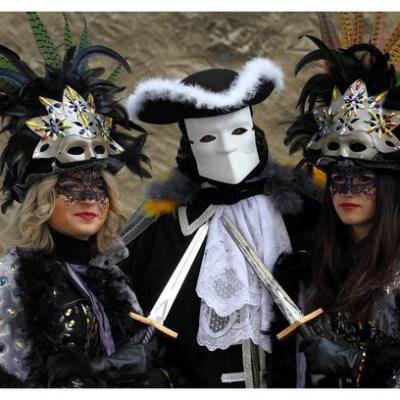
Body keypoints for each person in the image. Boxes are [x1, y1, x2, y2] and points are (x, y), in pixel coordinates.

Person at [120, 58, 316, 387]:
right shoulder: (162, 226)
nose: (225, 149)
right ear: (189, 147)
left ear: (254, 133)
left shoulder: (302, 210)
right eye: (209, 138)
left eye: (238, 131)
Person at [0, 13, 170, 388]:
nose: (88, 199)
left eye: (99, 188)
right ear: (42, 200)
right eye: (71, 188)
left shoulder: (110, 275)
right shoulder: (13, 279)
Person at [282, 14, 400, 388]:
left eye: (364, 177)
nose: (347, 189)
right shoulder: (320, 264)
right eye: (338, 177)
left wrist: (361, 365)